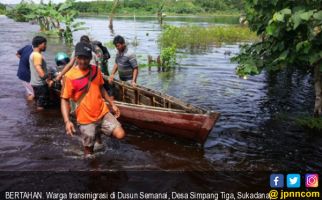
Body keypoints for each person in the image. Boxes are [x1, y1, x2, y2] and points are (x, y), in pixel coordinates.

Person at [60, 42, 125, 156]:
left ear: (90, 58)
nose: (83, 61)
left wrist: (112, 104)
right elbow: (64, 99)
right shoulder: (70, 76)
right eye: (80, 58)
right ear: (76, 58)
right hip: (86, 118)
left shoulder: (95, 70)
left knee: (120, 134)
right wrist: (67, 121)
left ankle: (98, 131)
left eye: (86, 58)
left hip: (102, 112)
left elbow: (101, 88)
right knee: (89, 153)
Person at [29, 36, 53, 110]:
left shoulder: (33, 54)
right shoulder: (37, 56)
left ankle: (36, 118)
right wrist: (49, 75)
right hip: (40, 85)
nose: (46, 46)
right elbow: (41, 73)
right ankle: (40, 120)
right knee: (41, 105)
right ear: (39, 44)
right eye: (44, 44)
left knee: (39, 102)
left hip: (35, 83)